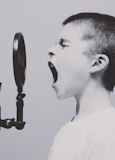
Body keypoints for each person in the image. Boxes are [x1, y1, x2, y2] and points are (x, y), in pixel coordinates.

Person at [47, 12, 115, 160]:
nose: (51, 50)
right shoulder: (67, 131)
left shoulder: (108, 131)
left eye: (63, 44)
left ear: (97, 63)